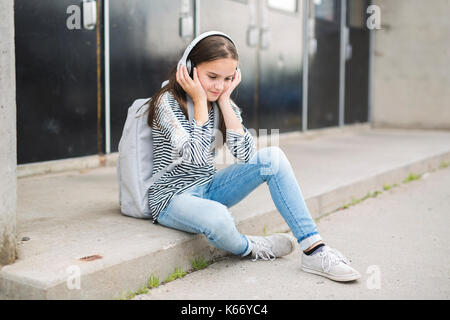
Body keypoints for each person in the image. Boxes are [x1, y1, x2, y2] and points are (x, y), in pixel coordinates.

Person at [146, 31, 360, 282]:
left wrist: (225, 102)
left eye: (227, 79)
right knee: (218, 218)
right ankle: (251, 246)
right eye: (212, 77)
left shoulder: (220, 99)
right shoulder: (167, 103)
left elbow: (246, 155)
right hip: (171, 198)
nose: (219, 86)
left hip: (208, 187)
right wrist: (200, 103)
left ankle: (314, 248)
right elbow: (196, 158)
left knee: (273, 158)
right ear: (190, 69)